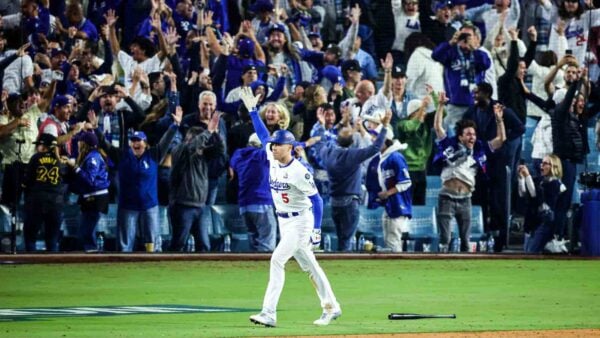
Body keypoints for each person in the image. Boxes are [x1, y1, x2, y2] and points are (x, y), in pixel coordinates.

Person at [240, 88, 341, 327]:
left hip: (301, 222)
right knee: (310, 265)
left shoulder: (299, 171)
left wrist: (316, 230)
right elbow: (264, 135)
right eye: (273, 145)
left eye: (278, 145)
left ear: (290, 147)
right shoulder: (273, 157)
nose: (273, 147)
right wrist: (253, 111)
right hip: (284, 221)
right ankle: (332, 306)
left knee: (277, 260)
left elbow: (317, 200)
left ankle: (269, 313)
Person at [432, 92, 506, 252]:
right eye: (468, 134)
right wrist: (440, 106)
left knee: (466, 240)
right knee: (445, 239)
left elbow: (501, 140)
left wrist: (499, 120)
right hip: (447, 196)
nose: (472, 137)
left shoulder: (479, 149)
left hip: (466, 198)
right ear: (460, 137)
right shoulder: (449, 146)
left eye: (474, 134)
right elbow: (438, 127)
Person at [313, 109, 389, 251]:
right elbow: (376, 147)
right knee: (346, 240)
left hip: (334, 201)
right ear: (353, 141)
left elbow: (320, 144)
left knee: (342, 237)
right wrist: (384, 127)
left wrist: (322, 126)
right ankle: (343, 267)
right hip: (350, 201)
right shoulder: (353, 155)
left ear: (336, 140)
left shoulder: (328, 153)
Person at [168, 111, 225, 252]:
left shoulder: (203, 156)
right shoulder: (180, 150)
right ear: (189, 138)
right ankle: (169, 270)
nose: (202, 145)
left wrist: (215, 133)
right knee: (178, 243)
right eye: (200, 141)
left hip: (200, 206)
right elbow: (192, 147)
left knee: (204, 246)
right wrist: (208, 131)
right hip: (182, 206)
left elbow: (221, 149)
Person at [229, 133, 277, 252]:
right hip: (262, 202)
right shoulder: (262, 155)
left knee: (254, 243)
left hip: (244, 205)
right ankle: (265, 269)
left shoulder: (238, 155)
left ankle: (254, 269)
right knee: (267, 244)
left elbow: (232, 164)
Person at [65, 130, 110, 252]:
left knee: (88, 231)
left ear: (85, 144)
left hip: (96, 197)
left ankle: (94, 258)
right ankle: (92, 255)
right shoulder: (89, 156)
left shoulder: (93, 158)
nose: (78, 143)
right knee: (86, 231)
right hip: (91, 197)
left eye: (80, 141)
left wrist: (76, 168)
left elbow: (90, 180)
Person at [22, 133, 67, 252]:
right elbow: (66, 178)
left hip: (37, 199)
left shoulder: (36, 158)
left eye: (39, 145)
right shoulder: (60, 160)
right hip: (56, 201)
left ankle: (30, 268)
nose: (37, 147)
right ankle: (52, 268)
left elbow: (28, 180)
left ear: (43, 145)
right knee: (52, 239)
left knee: (30, 237)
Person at [518, 155, 566, 253]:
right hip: (533, 221)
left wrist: (527, 176)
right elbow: (523, 193)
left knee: (532, 252)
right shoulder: (540, 181)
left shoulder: (556, 184)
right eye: (542, 163)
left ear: (554, 166)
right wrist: (521, 178)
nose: (541, 166)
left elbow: (535, 195)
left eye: (545, 163)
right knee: (527, 252)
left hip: (544, 222)